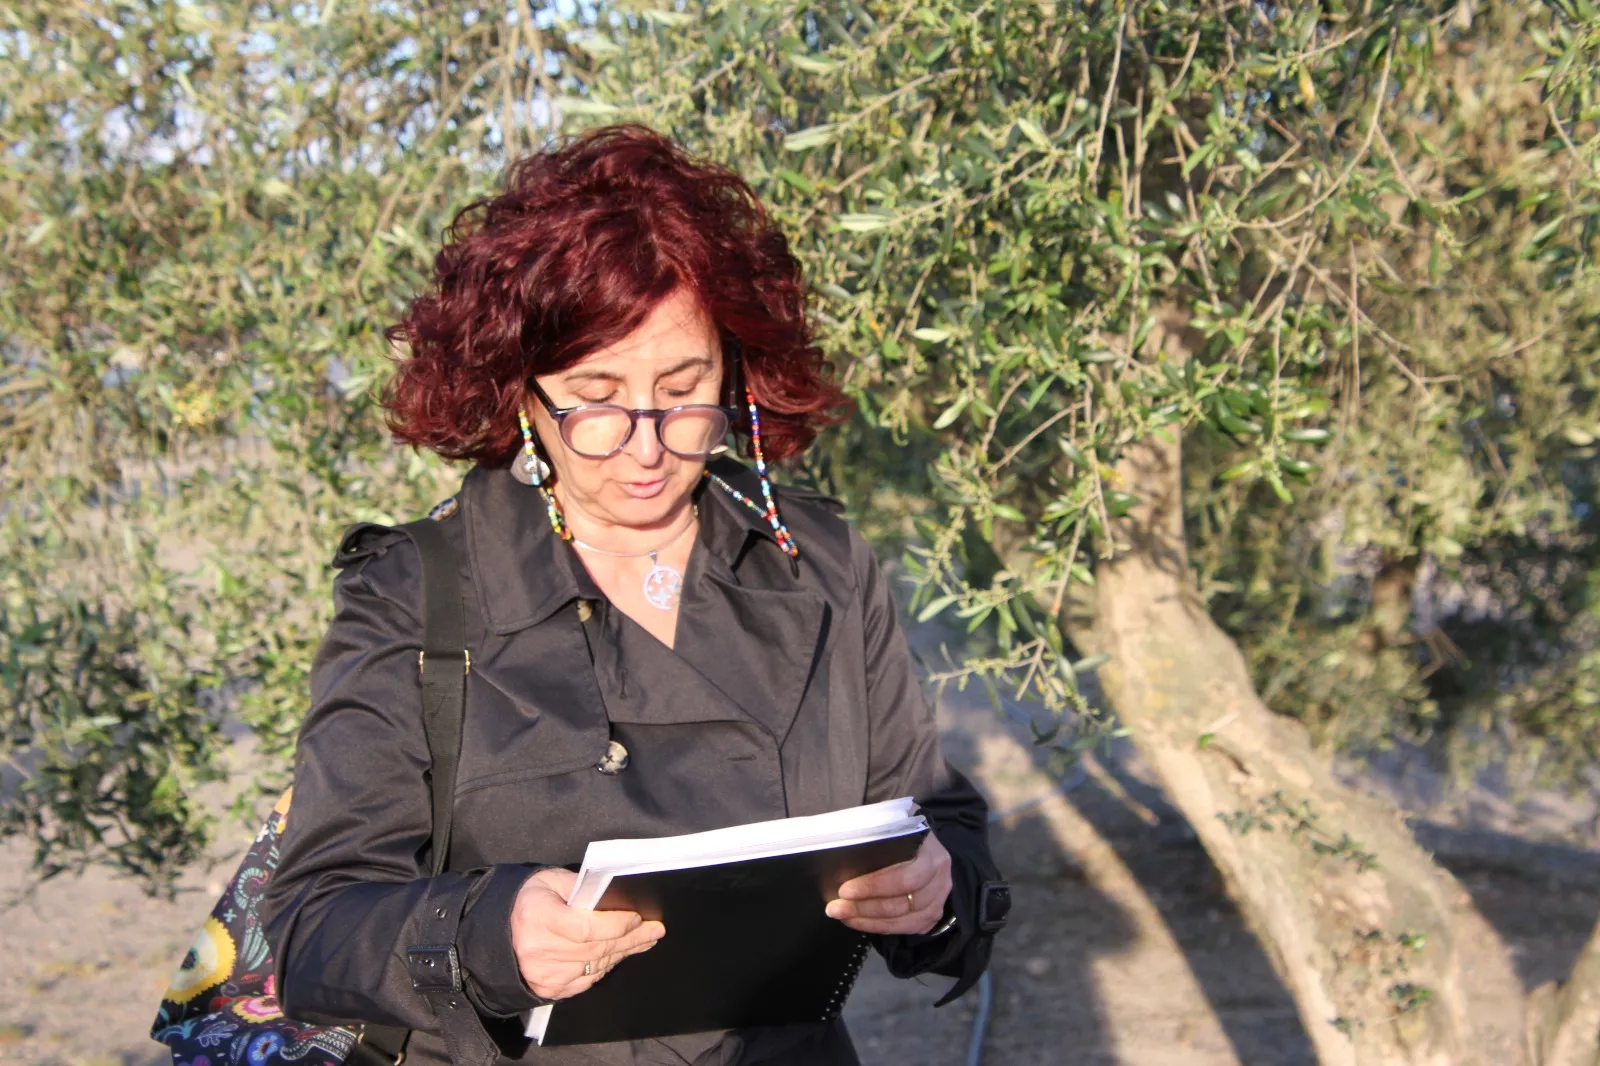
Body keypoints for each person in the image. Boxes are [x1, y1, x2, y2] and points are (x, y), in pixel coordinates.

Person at [262, 124, 1008, 1066]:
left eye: (683, 387)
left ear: (735, 369)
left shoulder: (820, 562)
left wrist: (938, 889)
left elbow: (936, 817)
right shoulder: (415, 594)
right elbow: (312, 924)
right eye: (596, 396)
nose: (647, 444)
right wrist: (487, 932)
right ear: (522, 392)